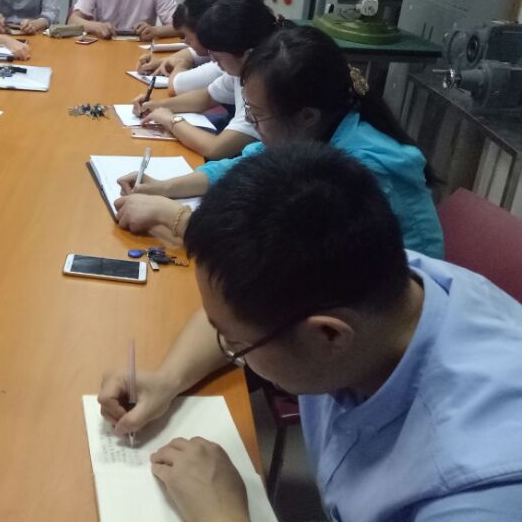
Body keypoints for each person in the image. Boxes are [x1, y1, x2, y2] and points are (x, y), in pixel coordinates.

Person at [99, 144, 522, 521]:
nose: (226, 346)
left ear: (329, 337)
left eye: (236, 346)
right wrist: (168, 378)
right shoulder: (369, 272)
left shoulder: (476, 493)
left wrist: (221, 514)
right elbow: (237, 315)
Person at [115, 25, 445, 259]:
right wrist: (163, 188)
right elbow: (244, 164)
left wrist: (175, 218)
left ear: (306, 115)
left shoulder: (364, 171)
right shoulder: (313, 132)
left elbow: (284, 257)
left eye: (257, 116)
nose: (253, 125)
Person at [133, 0, 277, 160]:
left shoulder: (265, 86)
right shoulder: (241, 67)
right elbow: (206, 97)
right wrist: (157, 106)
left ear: (246, 54)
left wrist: (171, 120)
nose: (213, 60)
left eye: (218, 56)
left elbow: (215, 149)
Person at [135, 0, 224, 96]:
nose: (185, 41)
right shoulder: (217, 48)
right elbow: (189, 54)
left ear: (205, 33)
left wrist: (181, 64)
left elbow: (176, 86)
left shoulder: (225, 63)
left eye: (187, 36)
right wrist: (157, 63)